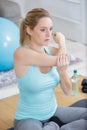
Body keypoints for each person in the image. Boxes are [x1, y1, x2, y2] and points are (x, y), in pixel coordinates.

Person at [14, 8, 87, 130]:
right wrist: (62, 41)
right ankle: (54, 125)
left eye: (51, 29)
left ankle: (55, 126)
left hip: (53, 111)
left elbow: (68, 91)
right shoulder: (21, 53)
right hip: (28, 117)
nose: (49, 35)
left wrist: (62, 71)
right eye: (43, 30)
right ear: (29, 30)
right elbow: (62, 59)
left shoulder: (52, 51)